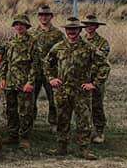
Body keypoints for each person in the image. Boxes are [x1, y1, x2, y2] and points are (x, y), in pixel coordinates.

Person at [45, 17, 109, 159]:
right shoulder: (58, 47)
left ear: (79, 30)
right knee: (62, 120)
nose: (71, 32)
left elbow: (104, 66)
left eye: (74, 29)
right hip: (63, 91)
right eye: (69, 29)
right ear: (66, 31)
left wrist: (94, 84)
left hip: (81, 92)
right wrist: (51, 78)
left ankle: (84, 149)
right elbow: (47, 63)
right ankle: (61, 147)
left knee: (83, 121)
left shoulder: (89, 47)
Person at [0, 15, 41, 149]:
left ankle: (24, 137)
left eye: (22, 24)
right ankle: (12, 135)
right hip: (10, 81)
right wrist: (2, 77)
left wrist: (30, 82)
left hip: (24, 82)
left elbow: (36, 64)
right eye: (17, 24)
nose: (19, 27)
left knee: (25, 111)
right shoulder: (10, 41)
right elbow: (5, 61)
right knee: (10, 110)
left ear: (26, 26)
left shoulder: (32, 41)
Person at [30, 4, 63, 126]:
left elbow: (62, 51)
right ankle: (31, 122)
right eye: (41, 15)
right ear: (38, 17)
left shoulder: (58, 34)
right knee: (31, 98)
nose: (44, 17)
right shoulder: (32, 33)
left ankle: (54, 123)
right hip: (35, 71)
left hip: (52, 72)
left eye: (46, 15)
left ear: (51, 16)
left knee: (53, 99)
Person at [82, 15, 110, 144]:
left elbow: (101, 61)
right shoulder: (80, 40)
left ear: (97, 26)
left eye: (92, 25)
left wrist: (95, 82)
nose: (89, 27)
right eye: (87, 25)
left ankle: (99, 131)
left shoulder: (102, 42)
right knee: (83, 105)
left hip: (96, 79)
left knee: (97, 105)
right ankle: (85, 131)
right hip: (82, 78)